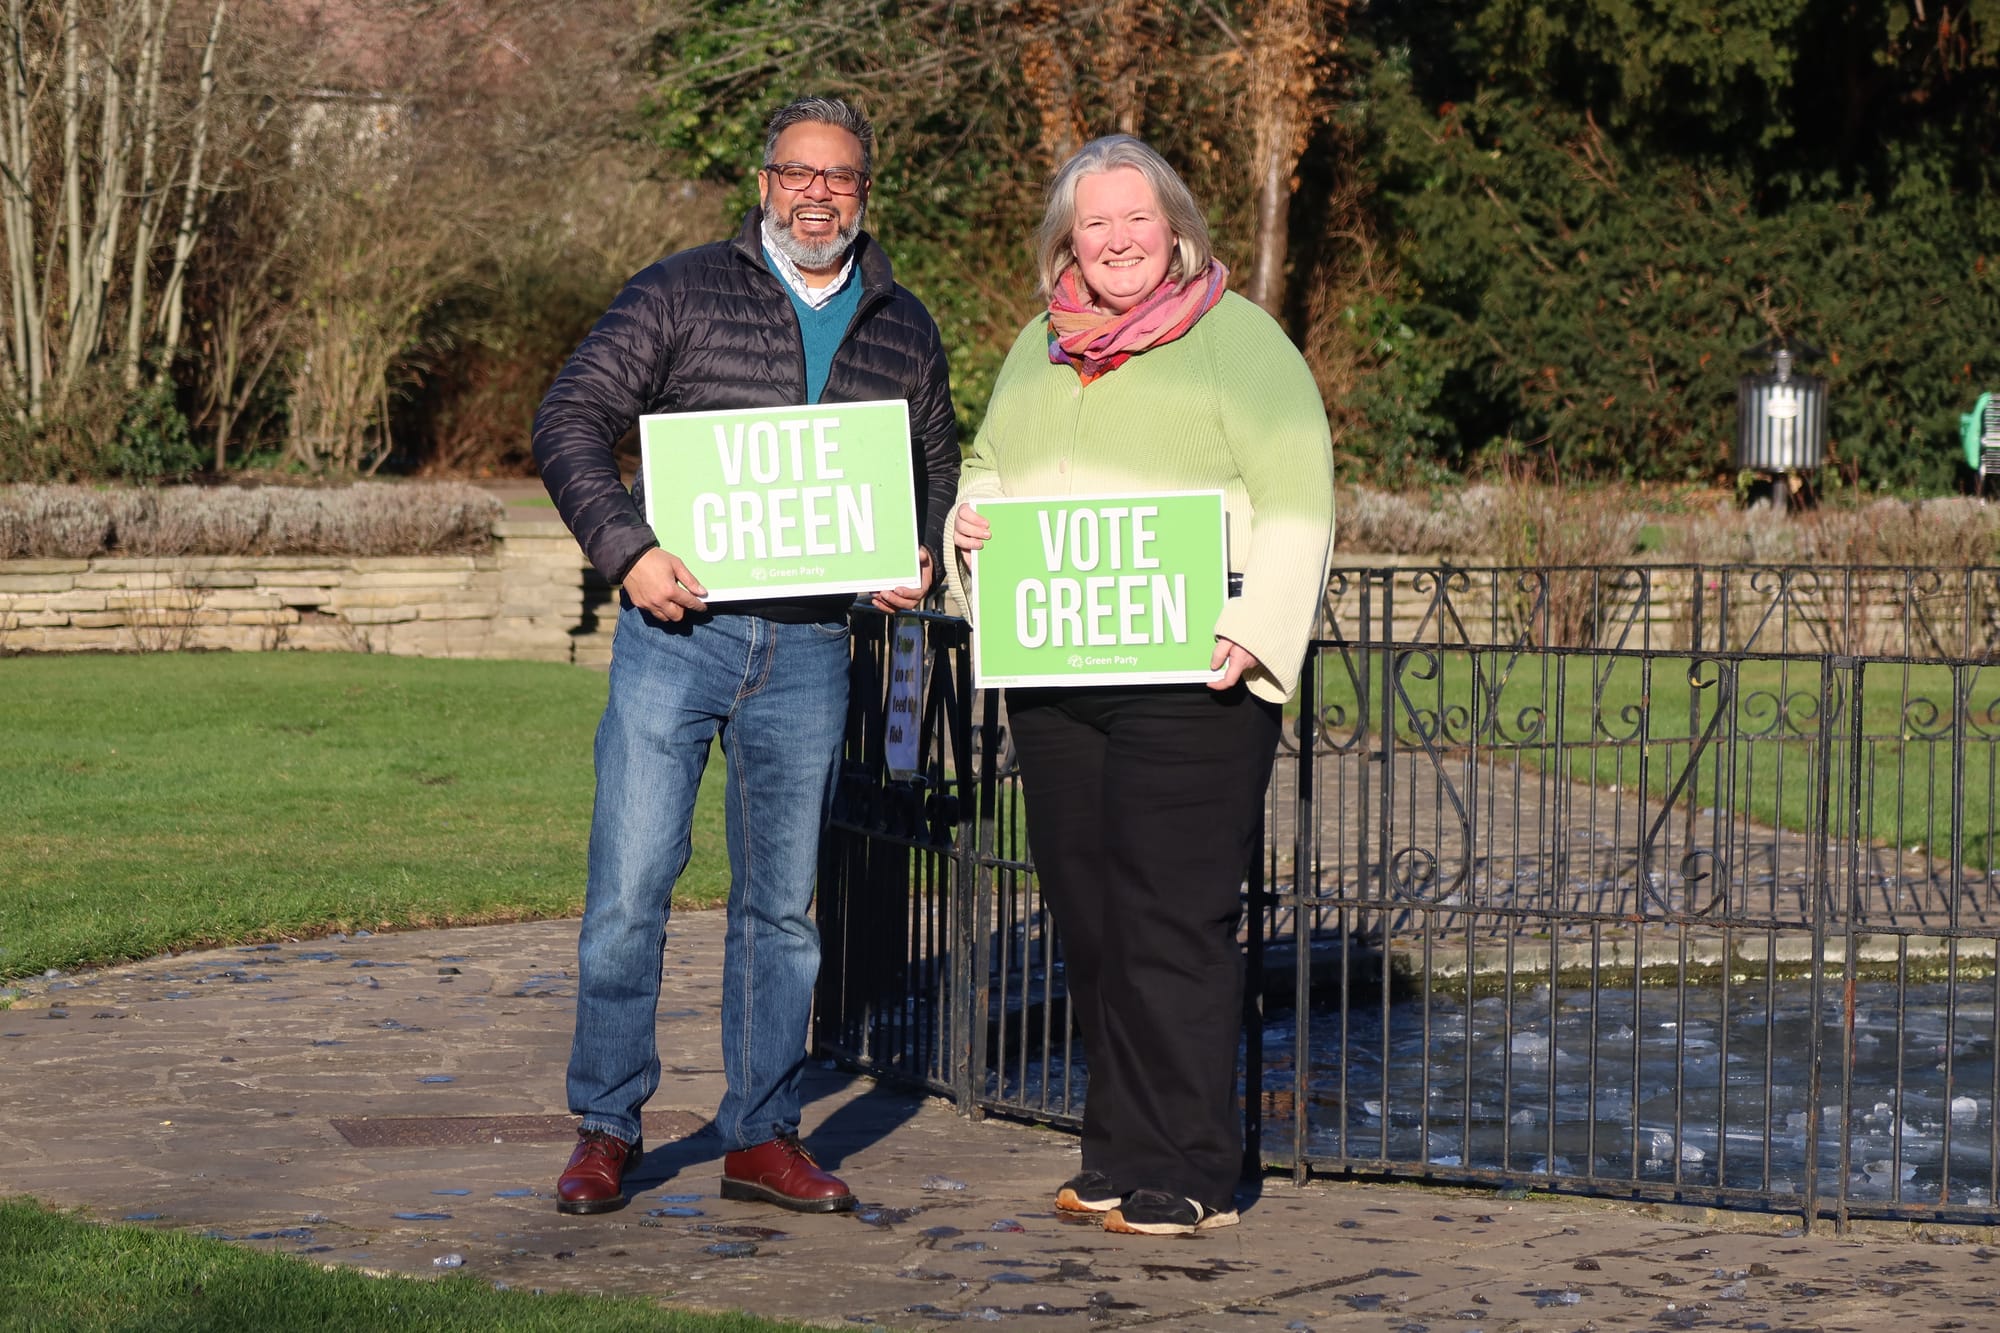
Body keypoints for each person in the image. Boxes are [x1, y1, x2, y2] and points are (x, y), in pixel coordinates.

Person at [532, 95, 959, 1216]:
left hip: (815, 649)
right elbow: (569, 416)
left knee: (781, 909)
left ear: (865, 193)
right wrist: (626, 549)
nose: (816, 192)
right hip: (679, 634)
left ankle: (760, 1136)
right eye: (796, 172)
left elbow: (934, 467)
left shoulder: (902, 323)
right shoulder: (678, 291)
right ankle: (605, 1126)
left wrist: (913, 549)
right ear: (764, 182)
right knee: (629, 888)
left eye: (839, 177)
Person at [944, 135, 1334, 1237]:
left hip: (1191, 680)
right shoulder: (1037, 347)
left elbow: (1299, 491)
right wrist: (966, 523)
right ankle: (1114, 1151)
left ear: (1175, 231)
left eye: (1135, 220)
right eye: (1093, 224)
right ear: (1066, 239)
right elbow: (985, 466)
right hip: (1061, 675)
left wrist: (1259, 630)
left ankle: (1193, 1167)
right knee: (1093, 917)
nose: (1115, 240)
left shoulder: (1238, 341)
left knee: (1172, 920)